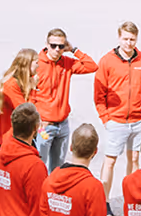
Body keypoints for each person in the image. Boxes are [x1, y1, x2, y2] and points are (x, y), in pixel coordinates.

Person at [95, 21, 141, 216]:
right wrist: (106, 118)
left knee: (135, 159)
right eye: (125, 39)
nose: (129, 43)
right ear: (119, 38)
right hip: (116, 120)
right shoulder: (107, 61)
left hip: (139, 120)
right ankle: (104, 202)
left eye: (132, 39)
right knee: (110, 160)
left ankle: (133, 199)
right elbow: (99, 92)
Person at [34, 29, 98, 173]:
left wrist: (74, 50)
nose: (57, 50)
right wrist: (37, 119)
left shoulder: (67, 63)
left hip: (62, 125)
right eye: (53, 45)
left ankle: (52, 194)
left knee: (57, 168)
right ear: (47, 44)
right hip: (44, 126)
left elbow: (92, 66)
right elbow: (29, 93)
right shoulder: (37, 63)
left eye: (61, 46)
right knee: (39, 164)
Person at [0, 48, 38, 145]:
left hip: (22, 136)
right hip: (11, 138)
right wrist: (33, 90)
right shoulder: (11, 84)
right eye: (36, 63)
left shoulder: (24, 82)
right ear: (28, 64)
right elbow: (26, 111)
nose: (38, 66)